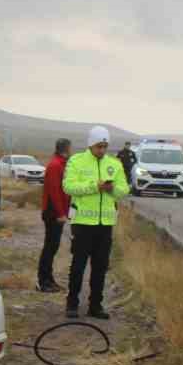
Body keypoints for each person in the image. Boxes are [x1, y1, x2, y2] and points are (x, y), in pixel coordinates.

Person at [63, 126, 130, 320]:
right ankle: (72, 303)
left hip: (105, 224)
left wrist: (110, 189)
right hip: (82, 223)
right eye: (98, 146)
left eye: (105, 146)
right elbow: (68, 186)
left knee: (100, 266)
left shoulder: (114, 164)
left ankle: (95, 305)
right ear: (90, 144)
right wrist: (95, 186)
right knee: (78, 265)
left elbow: (124, 190)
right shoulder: (76, 161)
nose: (102, 150)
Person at [37, 138, 73, 292]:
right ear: (65, 149)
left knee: (53, 246)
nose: (72, 151)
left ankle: (49, 279)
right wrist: (60, 213)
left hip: (58, 212)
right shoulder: (55, 165)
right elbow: (54, 192)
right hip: (53, 212)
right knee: (50, 247)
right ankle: (43, 281)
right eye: (70, 148)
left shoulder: (62, 164)